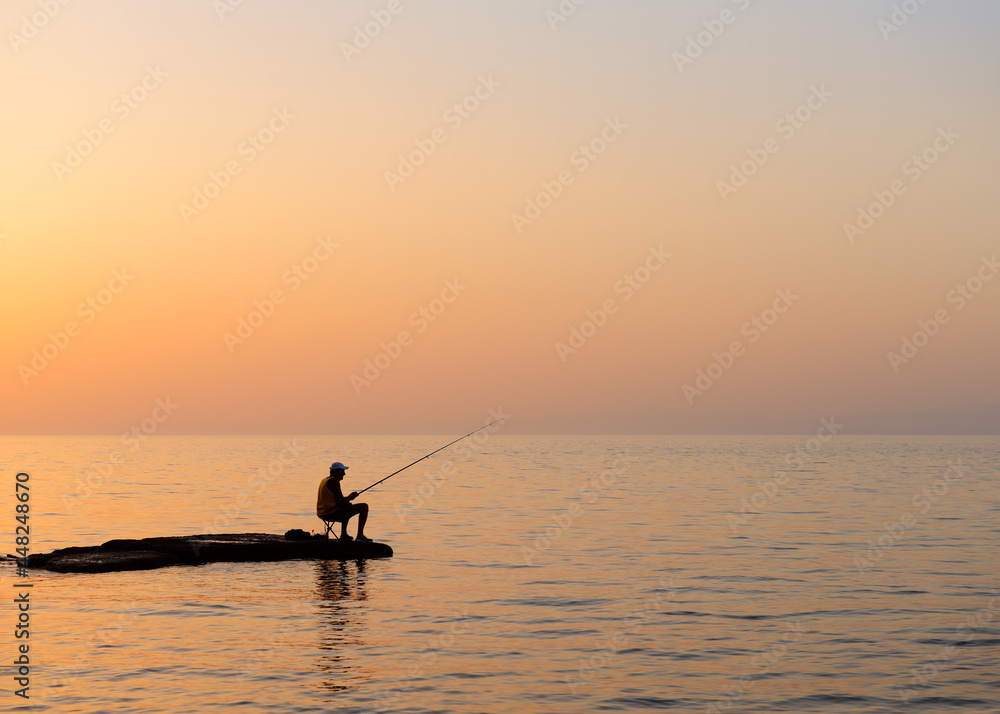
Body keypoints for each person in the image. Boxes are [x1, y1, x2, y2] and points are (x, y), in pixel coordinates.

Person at [317, 461, 372, 542]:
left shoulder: (325, 480)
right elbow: (341, 502)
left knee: (347, 506)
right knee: (364, 507)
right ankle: (359, 536)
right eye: (342, 471)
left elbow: (340, 500)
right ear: (336, 472)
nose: (344, 474)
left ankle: (344, 534)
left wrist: (349, 498)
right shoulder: (334, 482)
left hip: (321, 512)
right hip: (331, 513)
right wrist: (350, 497)